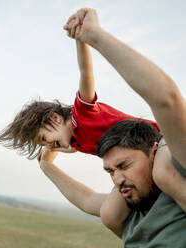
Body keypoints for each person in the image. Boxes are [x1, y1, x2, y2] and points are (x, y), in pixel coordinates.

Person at [38, 8, 186, 246]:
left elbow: (165, 100)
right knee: (109, 215)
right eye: (110, 171)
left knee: (163, 173)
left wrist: (88, 37)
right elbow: (87, 201)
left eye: (123, 165)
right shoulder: (79, 142)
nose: (117, 178)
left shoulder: (81, 113)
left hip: (160, 135)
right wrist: (47, 165)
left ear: (56, 119)